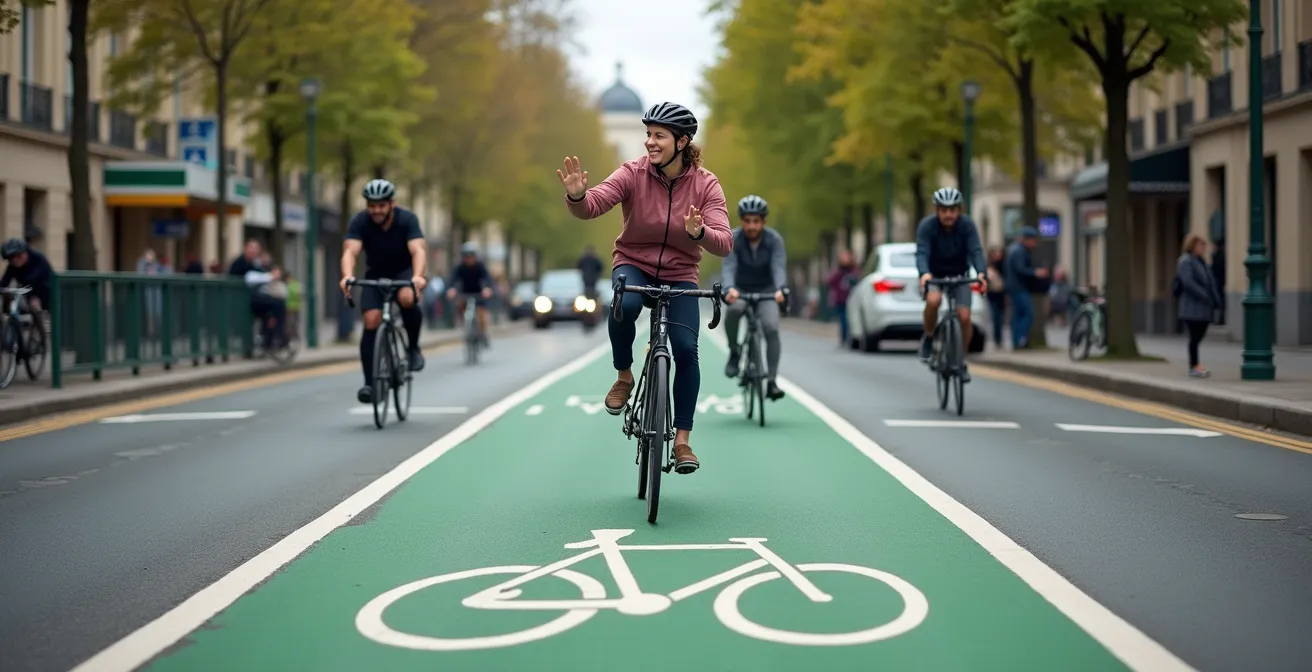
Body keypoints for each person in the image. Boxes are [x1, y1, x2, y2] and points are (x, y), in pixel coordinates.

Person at [558, 101, 733, 475]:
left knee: (686, 350)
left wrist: (700, 233)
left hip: (681, 273)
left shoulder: (706, 184)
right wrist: (576, 196)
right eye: (648, 135)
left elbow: (724, 241)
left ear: (682, 142)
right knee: (626, 302)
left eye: (659, 136)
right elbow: (593, 205)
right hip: (634, 264)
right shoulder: (632, 174)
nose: (650, 143)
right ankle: (624, 375)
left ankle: (682, 441)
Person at [340, 178, 429, 404]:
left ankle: (413, 349)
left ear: (392, 204)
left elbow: (418, 249)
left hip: (403, 272)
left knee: (407, 297)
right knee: (371, 319)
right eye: (371, 205)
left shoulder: (407, 219)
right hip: (375, 276)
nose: (376, 210)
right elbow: (350, 251)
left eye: (381, 205)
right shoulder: (360, 221)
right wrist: (348, 276)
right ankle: (370, 383)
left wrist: (418, 276)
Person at [914, 187, 987, 378]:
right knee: (933, 301)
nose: (948, 215)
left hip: (960, 274)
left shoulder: (967, 226)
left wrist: (981, 274)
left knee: (964, 316)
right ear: (937, 210)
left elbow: (976, 251)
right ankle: (929, 337)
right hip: (934, 275)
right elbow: (922, 252)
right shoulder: (927, 226)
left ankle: (960, 358)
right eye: (944, 210)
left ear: (959, 210)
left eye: (952, 210)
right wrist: (924, 274)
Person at [722, 194, 787, 401]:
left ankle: (772, 381)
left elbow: (778, 267)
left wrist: (780, 289)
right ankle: (734, 351)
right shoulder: (733, 239)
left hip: (767, 291)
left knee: (772, 327)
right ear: (742, 221)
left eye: (756, 221)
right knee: (733, 310)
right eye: (748, 221)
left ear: (763, 221)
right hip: (740, 290)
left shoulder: (774, 240)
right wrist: (729, 288)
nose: (752, 226)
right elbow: (729, 267)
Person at [1175, 233, 1223, 378]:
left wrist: (1216, 300)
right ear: (1192, 246)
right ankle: (1194, 366)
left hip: (1203, 307)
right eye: (1200, 245)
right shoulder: (1186, 261)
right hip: (1192, 306)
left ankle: (1196, 365)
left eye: (1204, 245)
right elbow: (1188, 282)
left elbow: (1211, 282)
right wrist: (1203, 294)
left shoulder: (1202, 262)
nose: (1203, 248)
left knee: (1199, 335)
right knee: (1195, 337)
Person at [229, 239, 287, 351]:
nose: (253, 251)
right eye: (251, 248)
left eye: (256, 249)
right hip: (243, 301)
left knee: (272, 310)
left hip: (252, 299)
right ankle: (278, 337)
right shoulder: (239, 263)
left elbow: (260, 274)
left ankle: (268, 341)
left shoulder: (254, 263)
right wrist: (270, 276)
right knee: (277, 304)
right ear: (245, 248)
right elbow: (250, 277)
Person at [1004, 227, 1049, 349]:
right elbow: (1020, 269)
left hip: (1015, 287)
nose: (1034, 243)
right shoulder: (1019, 251)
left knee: (1018, 314)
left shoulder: (1015, 249)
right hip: (1019, 287)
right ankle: (1020, 339)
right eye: (1033, 240)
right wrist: (1036, 272)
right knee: (1027, 313)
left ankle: (1017, 340)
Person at [445, 242, 494, 344]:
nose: (469, 259)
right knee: (460, 307)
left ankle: (483, 332)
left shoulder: (480, 266)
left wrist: (487, 289)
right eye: (467, 257)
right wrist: (451, 289)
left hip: (479, 294)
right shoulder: (459, 267)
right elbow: (452, 279)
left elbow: (487, 278)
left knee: (482, 314)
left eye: (471, 256)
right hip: (465, 293)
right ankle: (465, 325)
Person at [0, 238, 52, 319]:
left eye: (18, 256)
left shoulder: (39, 260)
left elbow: (42, 278)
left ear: (25, 252)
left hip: (45, 291)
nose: (15, 261)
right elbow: (4, 282)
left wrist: (36, 297)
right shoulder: (12, 267)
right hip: (27, 292)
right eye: (11, 258)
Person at [826, 250, 860, 347]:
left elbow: (857, 279)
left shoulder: (854, 271)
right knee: (843, 318)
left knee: (849, 318)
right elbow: (830, 281)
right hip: (841, 299)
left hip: (852, 298)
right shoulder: (838, 271)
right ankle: (844, 338)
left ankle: (850, 337)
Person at [985, 246, 1007, 349]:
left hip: (1001, 294)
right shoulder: (989, 266)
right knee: (995, 316)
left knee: (1000, 317)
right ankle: (997, 338)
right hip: (992, 294)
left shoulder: (1004, 266)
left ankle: (999, 338)